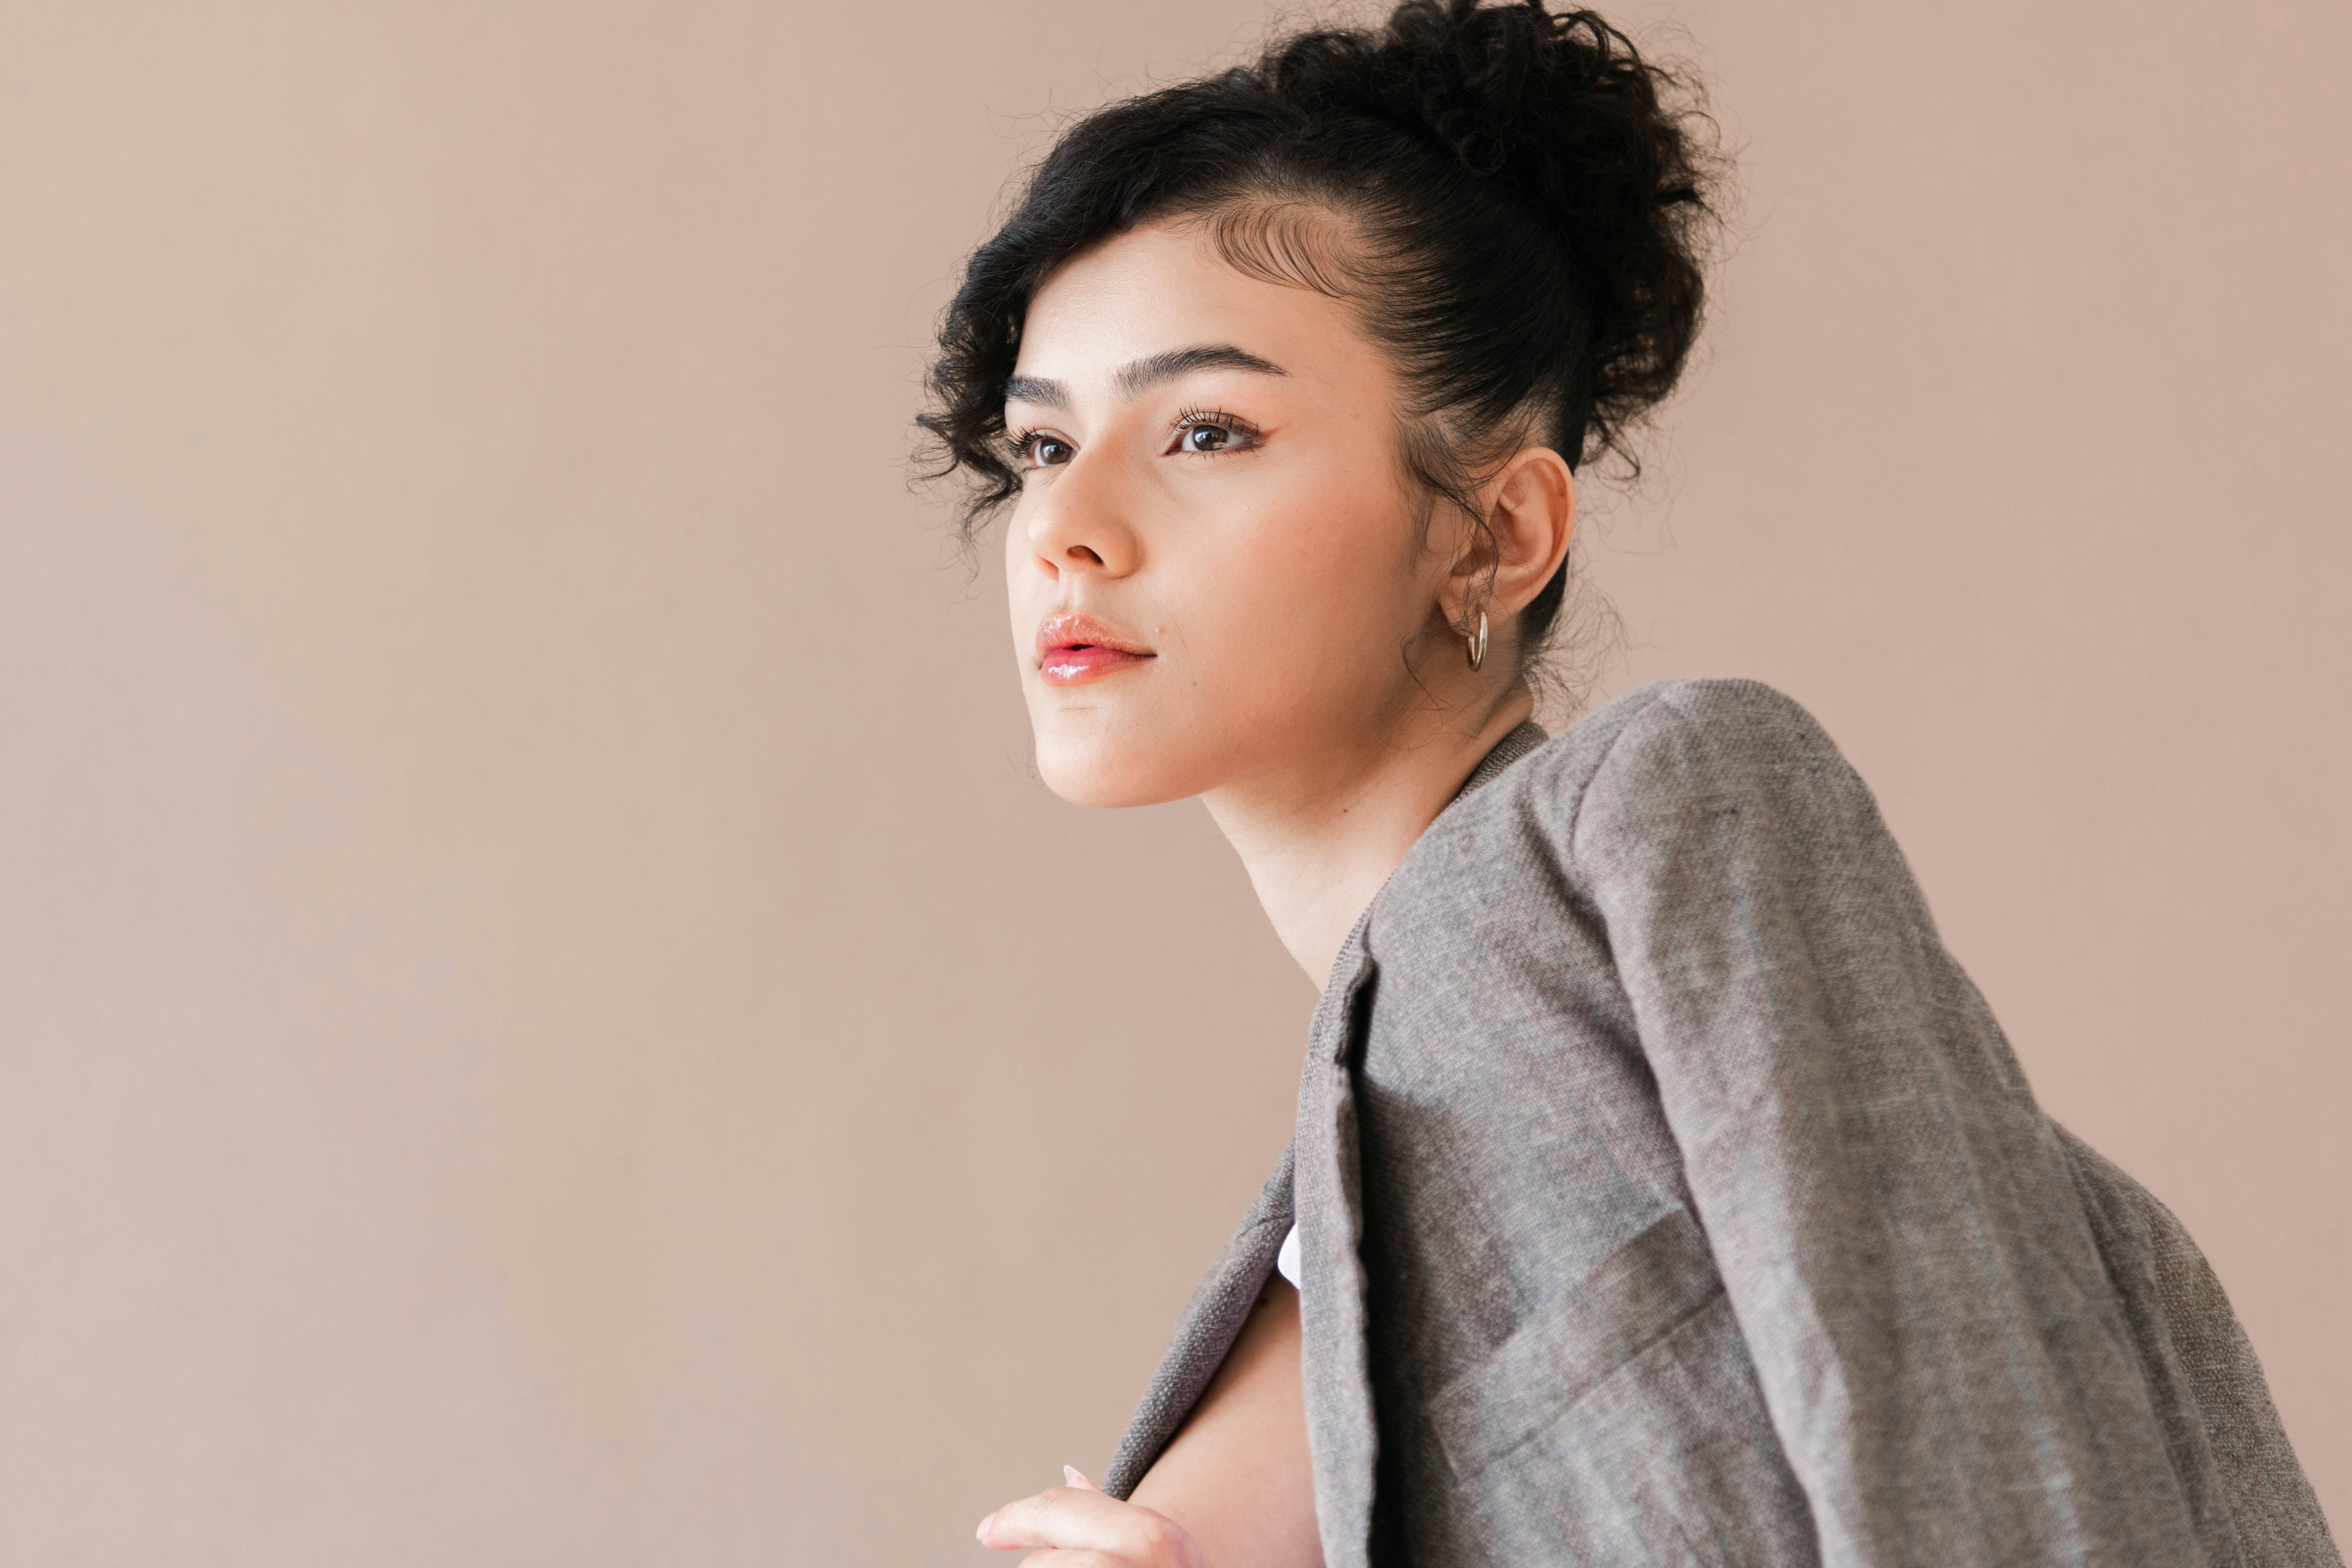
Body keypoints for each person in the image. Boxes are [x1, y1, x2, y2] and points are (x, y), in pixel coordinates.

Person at [923, 2, 2342, 1563]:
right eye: (1043, 447)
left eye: (1206, 428)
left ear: (1497, 532)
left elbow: (1992, 1494)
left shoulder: (1663, 806)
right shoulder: (1341, 1173)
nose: (1068, 527)